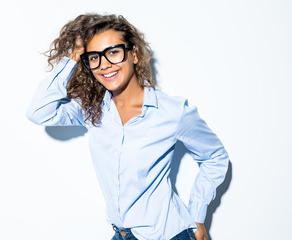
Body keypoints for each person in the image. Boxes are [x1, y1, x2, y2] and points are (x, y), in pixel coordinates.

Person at [26, 13, 229, 240]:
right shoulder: (92, 110)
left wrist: (198, 214)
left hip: (168, 235)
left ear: (133, 54)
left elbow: (215, 157)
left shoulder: (172, 111)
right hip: (121, 235)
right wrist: (72, 58)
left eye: (113, 52)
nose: (104, 64)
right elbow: (38, 112)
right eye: (94, 57)